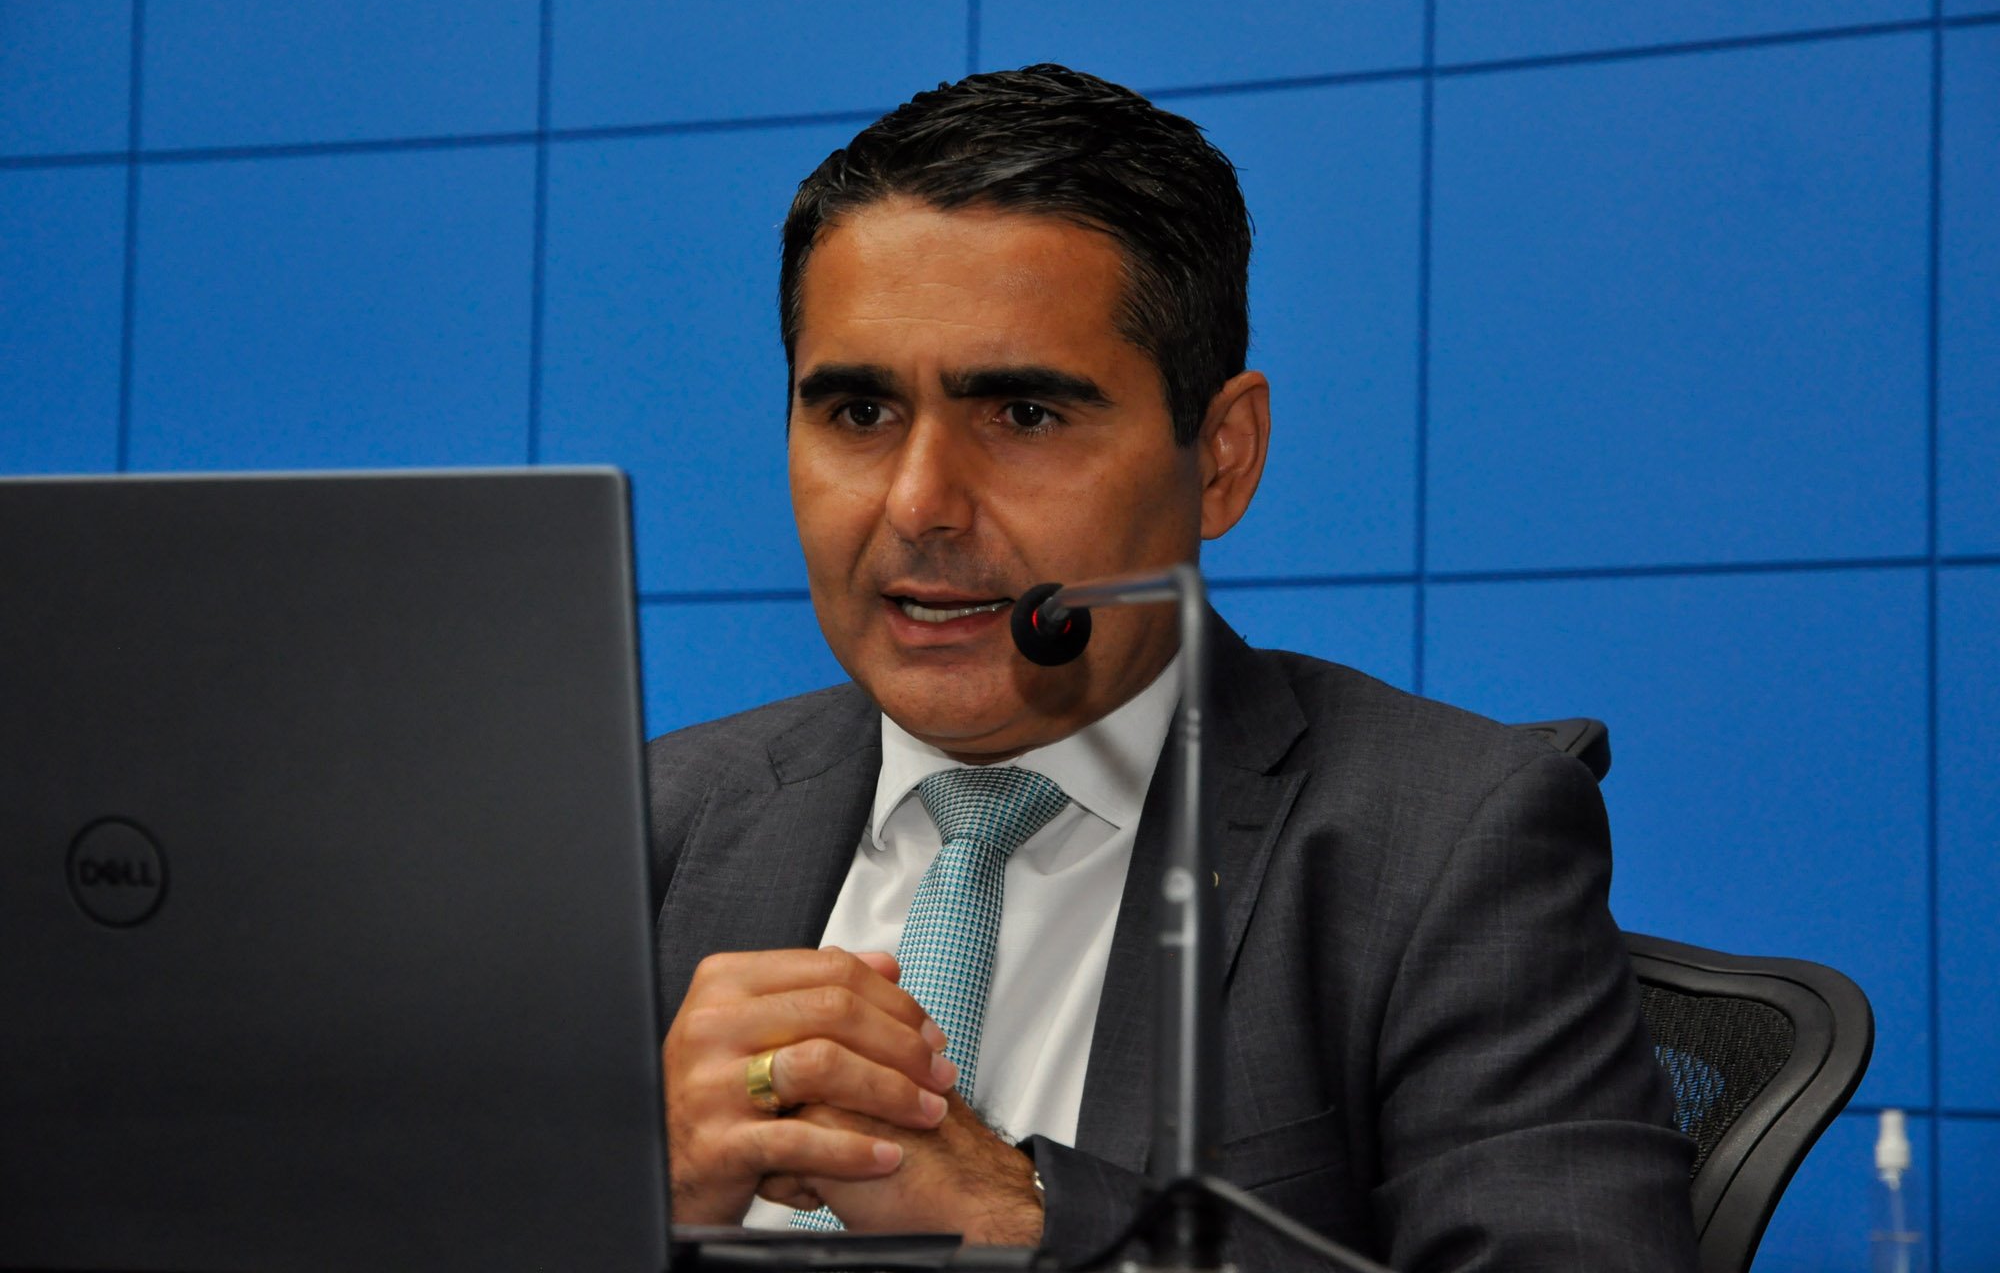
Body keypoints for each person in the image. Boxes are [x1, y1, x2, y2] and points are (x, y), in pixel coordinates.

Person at [645, 63, 1699, 1271]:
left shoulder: (1443, 846)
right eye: (857, 414)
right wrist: (623, 1195)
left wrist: (1021, 1218)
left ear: (1221, 459)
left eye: (1023, 415)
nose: (919, 502)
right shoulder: (651, 827)